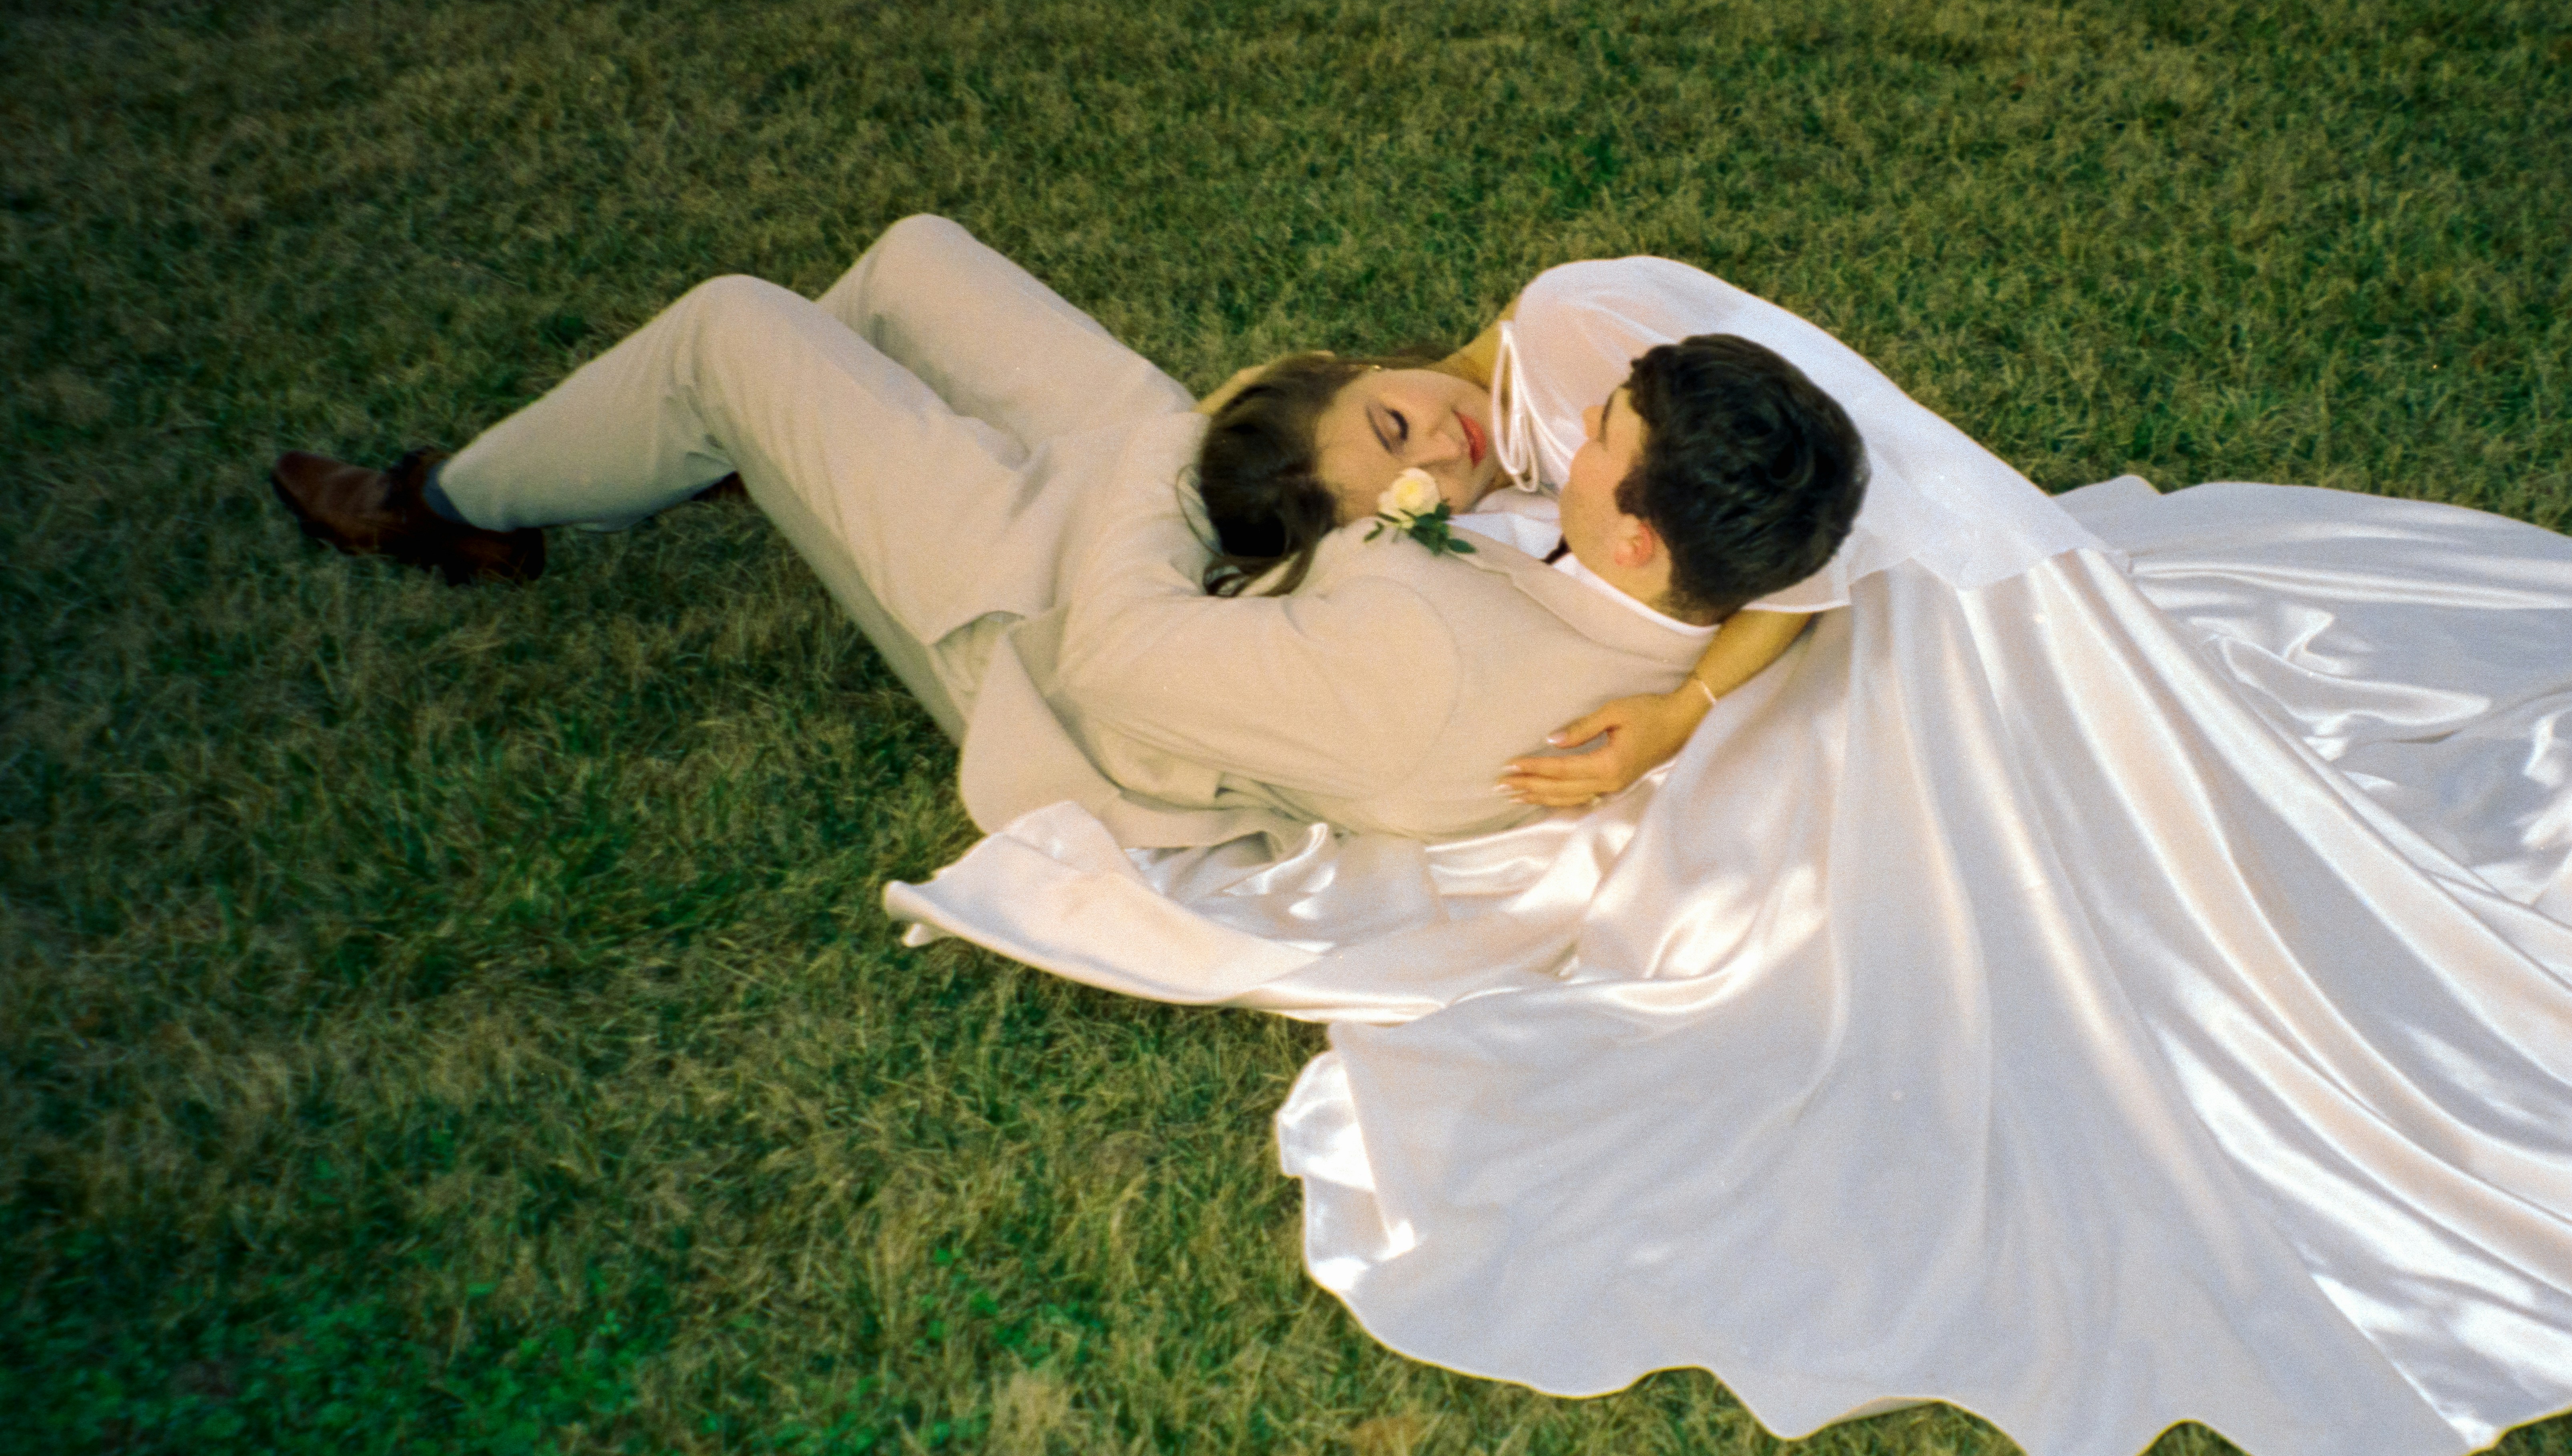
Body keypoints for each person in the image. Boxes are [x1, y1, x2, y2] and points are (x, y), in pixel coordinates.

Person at [893, 254, 2572, 1456]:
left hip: (1820, 617)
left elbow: (1805, 575)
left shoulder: (1676, 445)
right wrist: (1447, 490)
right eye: (1401, 446)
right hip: (1667, 553)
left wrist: (1672, 709)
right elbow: (1545, 459)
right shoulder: (1543, 366)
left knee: (1971, 850)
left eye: (1442, 438)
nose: (1460, 455)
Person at [267, 215, 1869, 857]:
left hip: (1037, 635)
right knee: (909, 263)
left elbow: (1112, 665)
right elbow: (1809, 581)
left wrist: (1187, 445)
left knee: (731, 331)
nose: (1571, 427)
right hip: (1232, 548)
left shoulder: (1429, 660)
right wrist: (1687, 698)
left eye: (1605, 442)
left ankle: (455, 513)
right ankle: (732, 450)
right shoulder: (1691, 589)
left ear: (1648, 538)